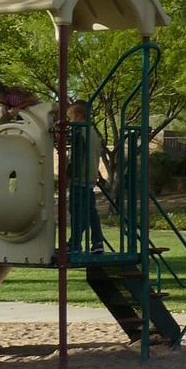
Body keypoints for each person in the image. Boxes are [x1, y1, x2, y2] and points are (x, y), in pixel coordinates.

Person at [68, 100, 106, 254]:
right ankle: (97, 242)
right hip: (90, 178)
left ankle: (75, 244)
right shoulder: (94, 133)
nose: (69, 122)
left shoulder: (80, 132)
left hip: (79, 178)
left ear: (78, 116)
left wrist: (69, 173)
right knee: (90, 212)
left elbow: (76, 157)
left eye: (70, 118)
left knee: (77, 212)